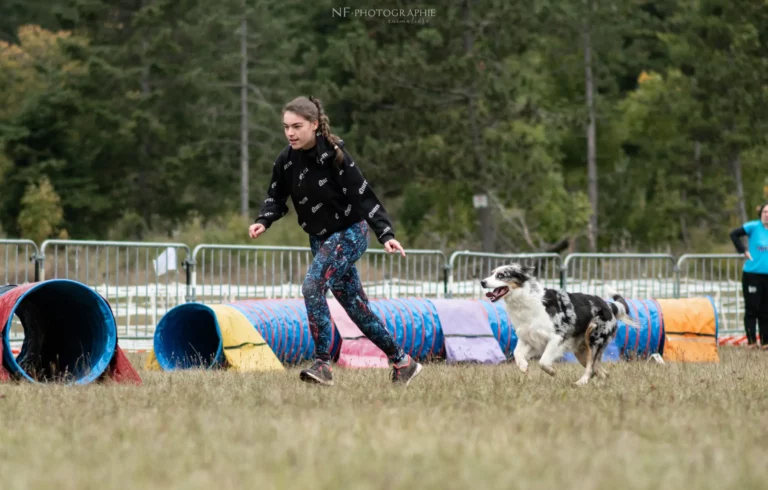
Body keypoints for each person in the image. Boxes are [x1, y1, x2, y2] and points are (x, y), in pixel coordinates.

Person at [248, 96, 422, 386]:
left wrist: (386, 234)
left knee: (312, 286)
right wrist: (263, 220)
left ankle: (322, 365)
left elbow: (363, 195)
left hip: (351, 234)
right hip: (320, 240)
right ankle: (403, 362)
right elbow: (276, 197)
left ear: (314, 125)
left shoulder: (335, 155)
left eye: (297, 126)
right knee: (357, 309)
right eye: (286, 127)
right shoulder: (286, 160)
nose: (290, 133)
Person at [730, 201, 768, 349]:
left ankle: (765, 342)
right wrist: (743, 251)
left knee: (766, 310)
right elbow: (733, 234)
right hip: (752, 275)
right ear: (761, 214)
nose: (767, 215)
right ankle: (752, 342)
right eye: (765, 212)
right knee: (752, 308)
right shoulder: (753, 227)